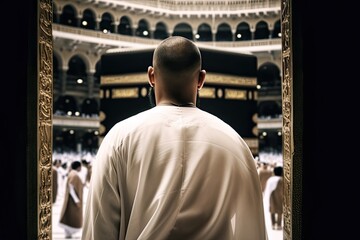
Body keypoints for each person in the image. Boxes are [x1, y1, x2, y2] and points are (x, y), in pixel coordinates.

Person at [81, 36, 268, 240]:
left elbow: (100, 226)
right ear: (201, 79)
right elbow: (252, 228)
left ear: (151, 76)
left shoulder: (119, 138)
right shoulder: (235, 143)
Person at [59, 160, 84, 238]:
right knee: (72, 216)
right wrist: (76, 200)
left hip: (72, 199)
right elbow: (71, 187)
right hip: (73, 200)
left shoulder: (73, 174)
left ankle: (68, 234)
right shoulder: (74, 175)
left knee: (69, 215)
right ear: (78, 167)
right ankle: (68, 233)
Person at [263, 166, 283, 230]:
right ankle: (279, 224)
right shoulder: (282, 179)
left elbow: (267, 189)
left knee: (272, 211)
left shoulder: (270, 179)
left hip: (271, 197)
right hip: (280, 197)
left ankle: (273, 224)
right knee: (280, 211)